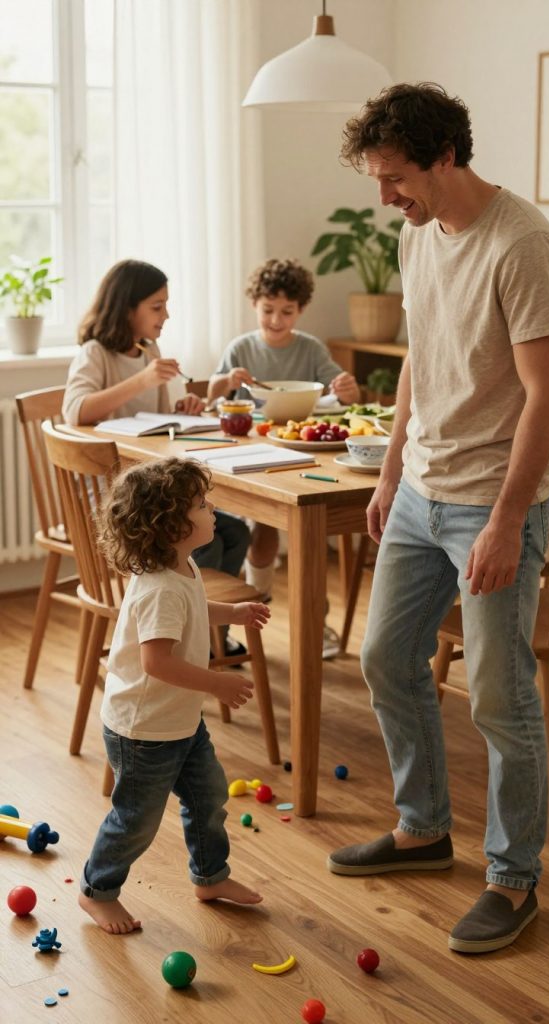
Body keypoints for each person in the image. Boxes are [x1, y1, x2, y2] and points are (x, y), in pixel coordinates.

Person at [326, 83, 549, 954]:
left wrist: (507, 522)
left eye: (393, 177)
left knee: (499, 699)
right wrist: (391, 474)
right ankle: (422, 829)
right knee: (385, 655)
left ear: (442, 158)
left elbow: (548, 396)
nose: (383, 196)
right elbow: (422, 368)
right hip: (419, 494)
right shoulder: (416, 234)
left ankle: (513, 879)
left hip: (489, 505)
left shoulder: (523, 245)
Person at [78, 456, 269, 934]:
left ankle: (210, 877)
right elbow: (156, 663)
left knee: (209, 798)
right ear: (171, 524)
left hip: (180, 723)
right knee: (135, 821)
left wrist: (233, 613)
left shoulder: (182, 567)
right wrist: (218, 683)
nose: (212, 509)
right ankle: (96, 892)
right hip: (143, 732)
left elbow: (195, 609)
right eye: (202, 505)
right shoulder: (160, 587)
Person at [63, 259, 251, 656]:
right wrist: (143, 380)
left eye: (166, 305)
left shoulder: (150, 350)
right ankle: (187, 638)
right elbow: (75, 411)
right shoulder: (95, 353)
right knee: (205, 541)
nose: (166, 315)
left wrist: (183, 410)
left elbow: (156, 422)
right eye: (157, 306)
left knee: (234, 532)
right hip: (114, 497)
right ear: (126, 307)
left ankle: (207, 633)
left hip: (147, 489)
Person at [208, 258, 360, 655]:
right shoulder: (241, 348)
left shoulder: (309, 348)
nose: (276, 320)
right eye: (268, 310)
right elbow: (212, 397)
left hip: (304, 450)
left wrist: (347, 389)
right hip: (253, 452)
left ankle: (315, 620)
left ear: (301, 310)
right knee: (263, 527)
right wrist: (225, 382)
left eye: (287, 312)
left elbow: (341, 392)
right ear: (255, 305)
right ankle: (256, 603)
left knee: (308, 530)